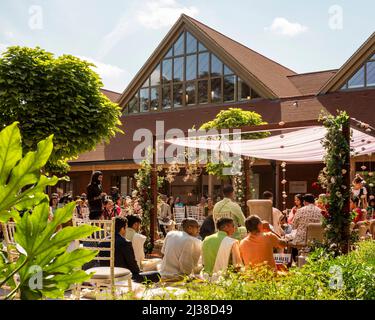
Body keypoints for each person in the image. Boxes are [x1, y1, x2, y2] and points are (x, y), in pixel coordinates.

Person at [100, 216, 160, 283]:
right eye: (126, 228)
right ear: (123, 228)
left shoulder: (102, 242)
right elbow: (133, 267)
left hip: (106, 275)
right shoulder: (125, 242)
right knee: (157, 275)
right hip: (123, 276)